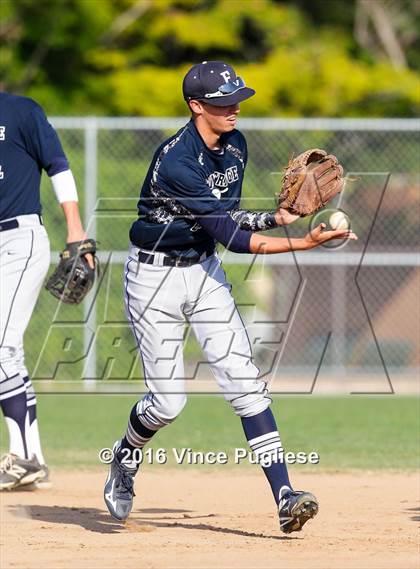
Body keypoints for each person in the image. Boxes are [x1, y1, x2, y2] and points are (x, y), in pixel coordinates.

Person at [104, 61, 356, 533]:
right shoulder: (178, 161)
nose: (234, 107)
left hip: (202, 272)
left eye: (237, 97)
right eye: (222, 102)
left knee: (244, 382)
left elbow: (230, 219)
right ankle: (125, 455)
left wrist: (277, 219)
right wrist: (304, 242)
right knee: (167, 404)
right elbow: (233, 239)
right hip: (153, 278)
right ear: (196, 106)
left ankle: (285, 495)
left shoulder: (235, 145)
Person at [0, 92, 89, 490]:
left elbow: (58, 166)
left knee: (1, 347)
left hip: (18, 240)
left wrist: (75, 230)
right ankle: (31, 459)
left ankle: (23, 458)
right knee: (9, 352)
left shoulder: (20, 110)